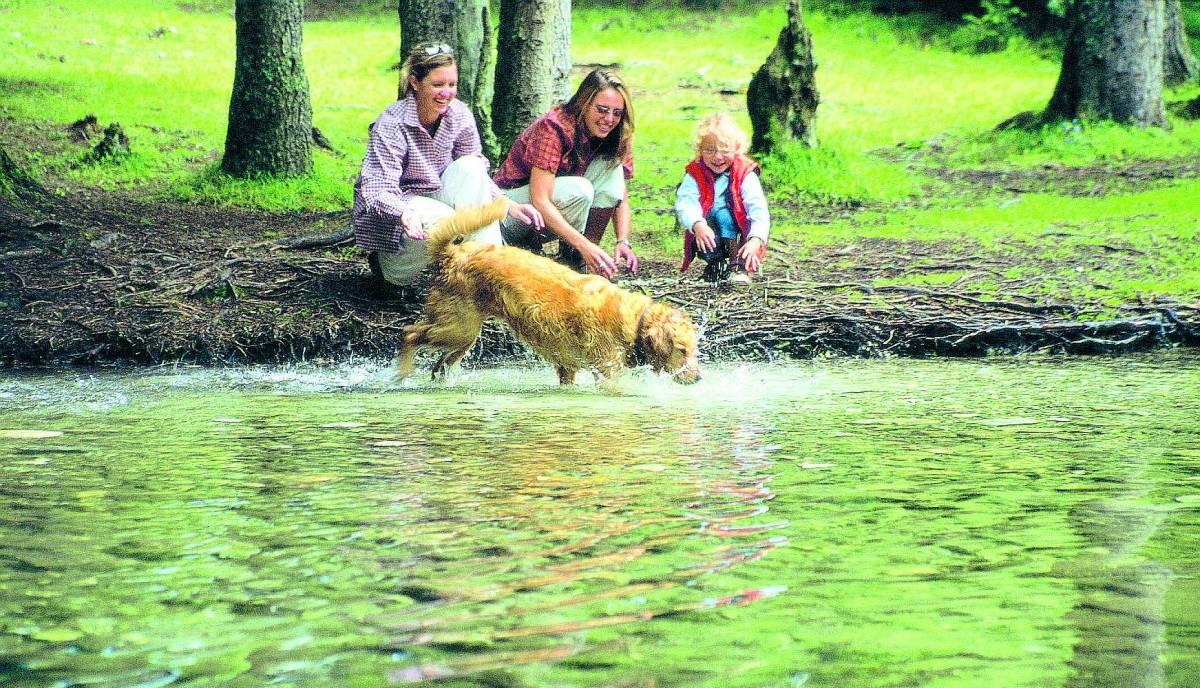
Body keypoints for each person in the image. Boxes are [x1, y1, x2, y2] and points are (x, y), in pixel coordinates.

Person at [352, 42, 542, 288]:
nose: (447, 93)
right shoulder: (391, 122)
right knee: (448, 220)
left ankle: (489, 278)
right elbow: (376, 189)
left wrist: (505, 204)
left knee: (471, 166)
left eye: (452, 85)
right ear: (414, 82)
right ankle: (389, 271)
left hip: (438, 196)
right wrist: (403, 213)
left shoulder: (459, 114)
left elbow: (476, 177)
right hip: (402, 213)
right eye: (438, 85)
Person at [493, 68, 638, 280]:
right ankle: (579, 250)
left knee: (611, 169)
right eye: (602, 109)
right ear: (584, 104)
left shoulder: (616, 134)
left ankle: (579, 262)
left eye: (617, 113)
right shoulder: (553, 128)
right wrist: (583, 243)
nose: (609, 119)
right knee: (580, 190)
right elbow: (540, 200)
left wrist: (622, 241)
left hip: (546, 216)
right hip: (508, 213)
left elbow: (619, 196)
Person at [675, 112, 769, 285]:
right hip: (710, 229)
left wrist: (756, 239)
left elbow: (758, 210)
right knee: (714, 216)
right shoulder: (696, 173)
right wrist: (697, 224)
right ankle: (716, 262)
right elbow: (685, 203)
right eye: (710, 150)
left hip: (739, 231)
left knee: (724, 215)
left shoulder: (745, 173)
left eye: (725, 149)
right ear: (700, 150)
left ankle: (738, 265)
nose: (717, 157)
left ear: (737, 148)